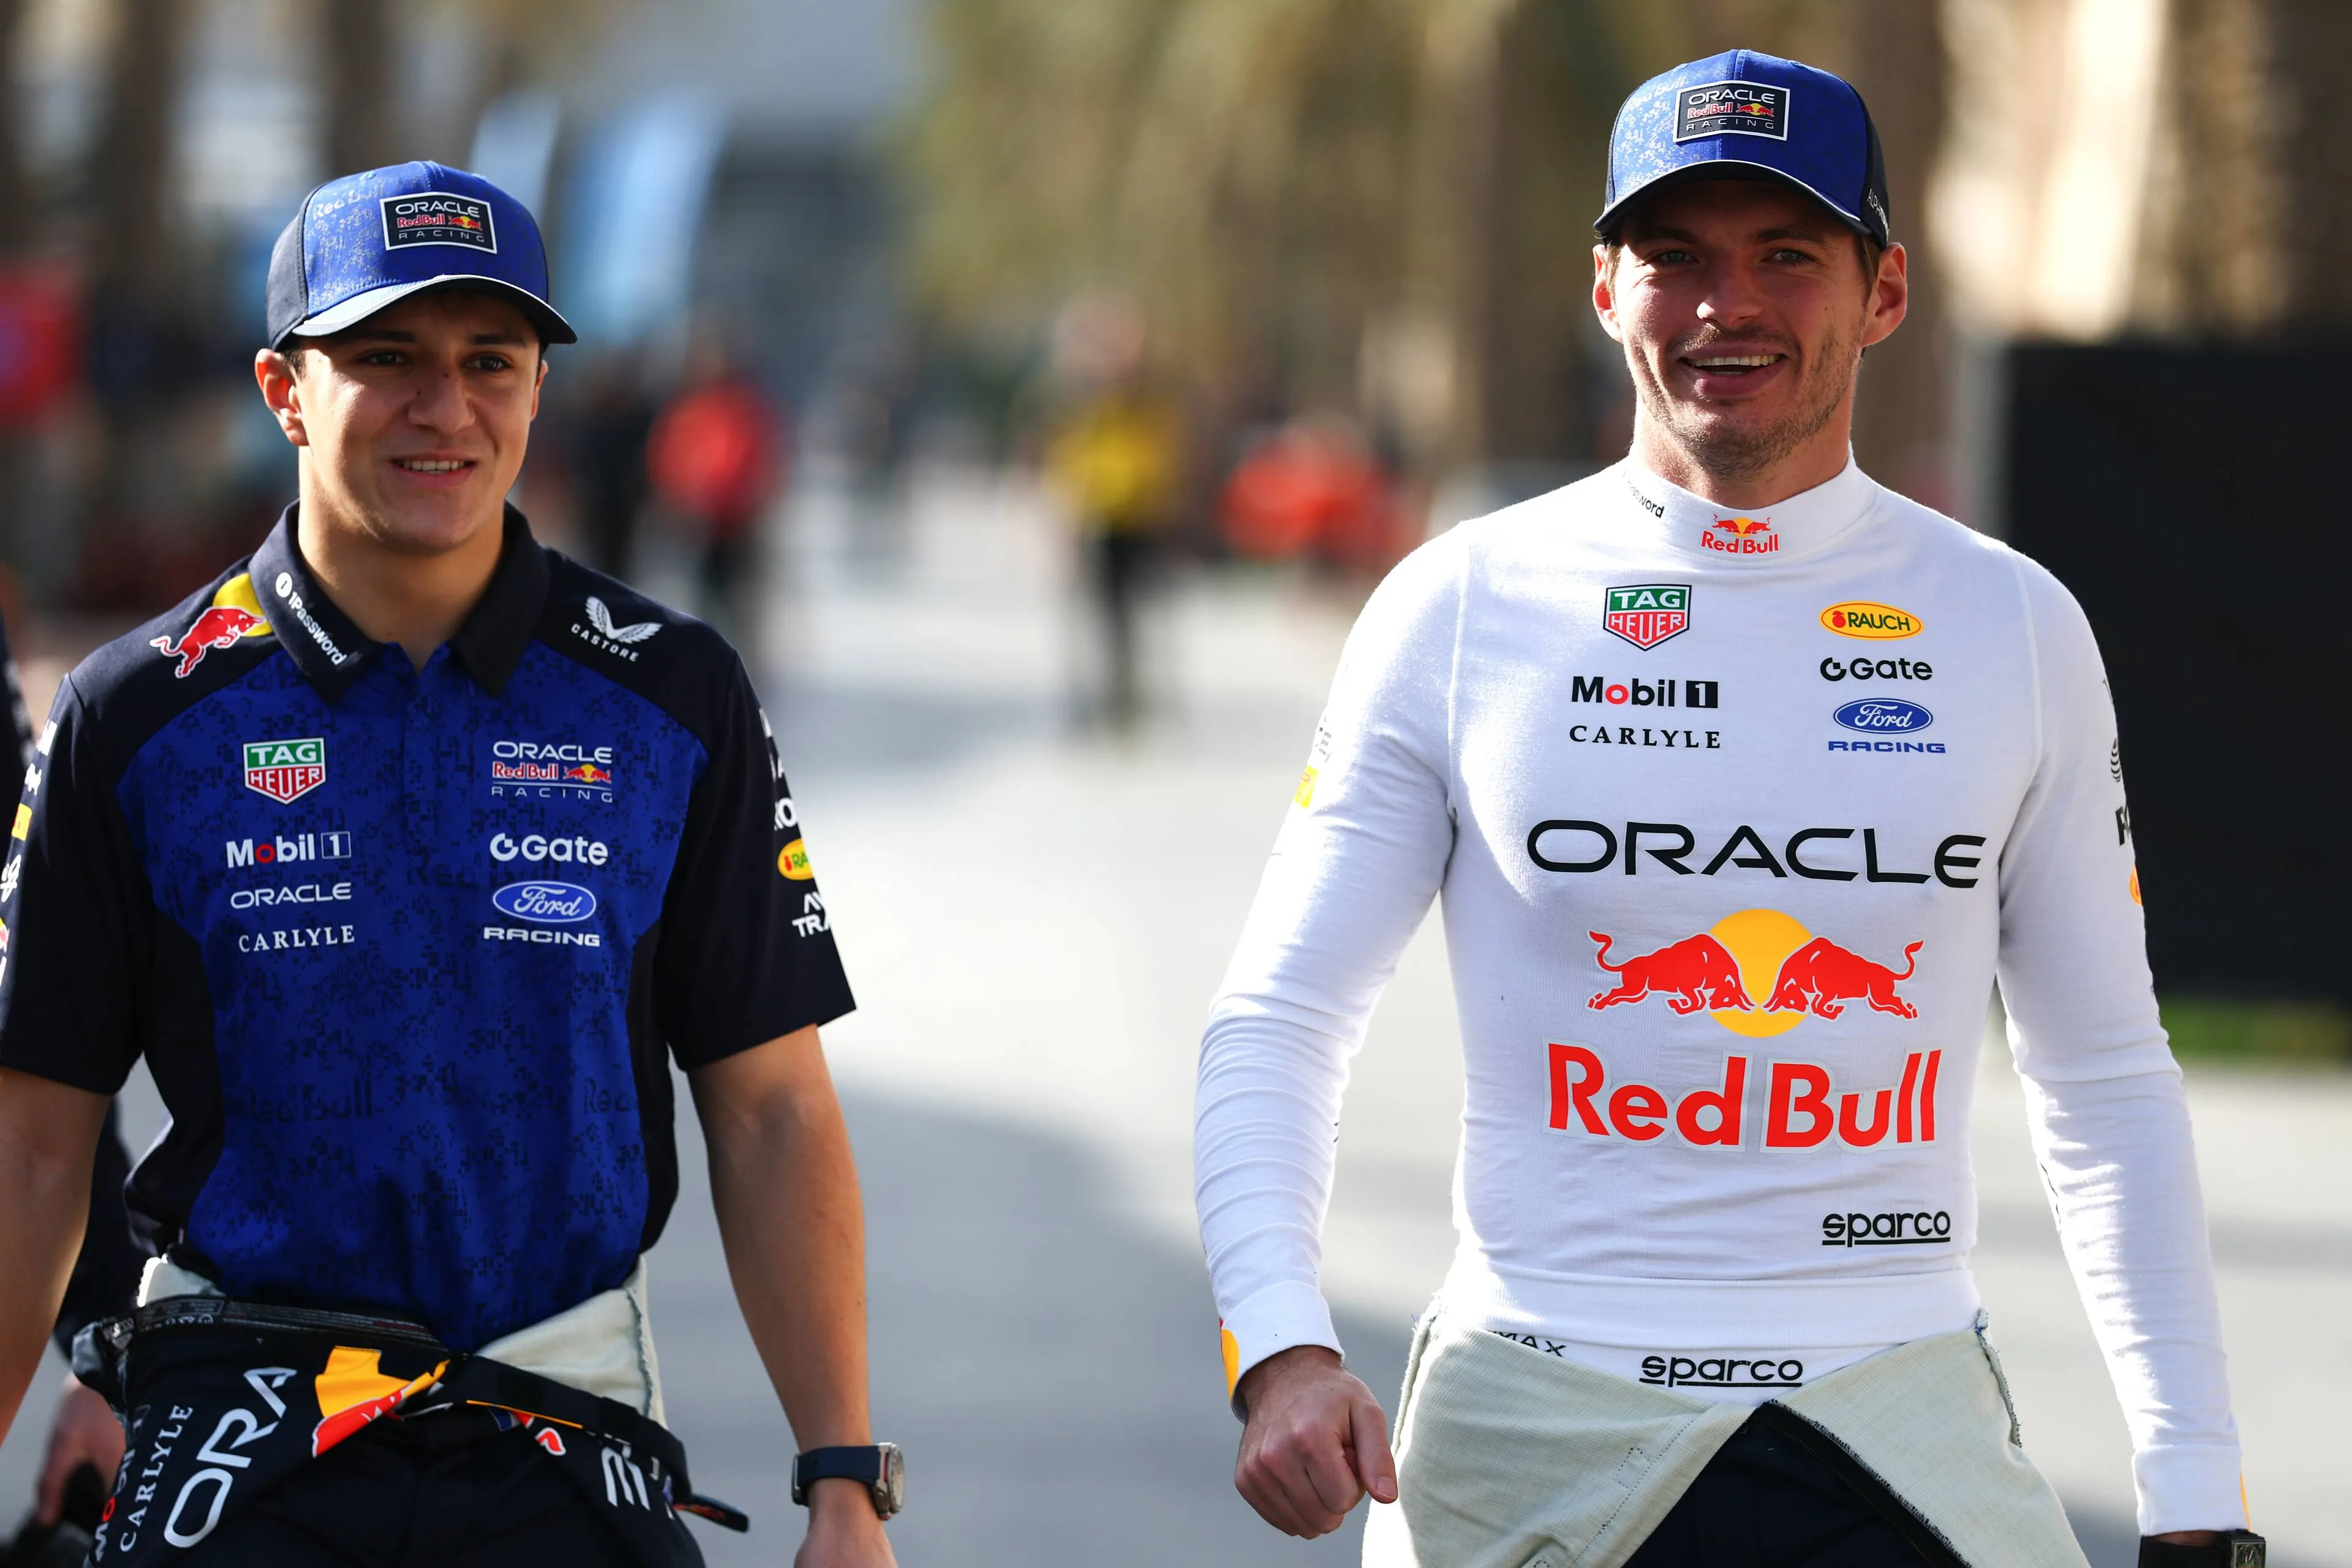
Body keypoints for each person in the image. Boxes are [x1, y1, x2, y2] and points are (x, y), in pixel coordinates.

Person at [1194, 50, 2263, 1568]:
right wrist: (1281, 1342)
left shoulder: (2012, 625)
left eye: (1787, 255)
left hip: (1899, 1415)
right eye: (1676, 256)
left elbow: (2102, 1076)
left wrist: (2198, 1490)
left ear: (1883, 290)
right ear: (1605, 287)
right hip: (1532, 1408)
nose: (1727, 304)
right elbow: (1280, 1013)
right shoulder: (1460, 602)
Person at [0, 162, 900, 1567]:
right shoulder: (138, 712)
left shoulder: (671, 695)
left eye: (493, 360)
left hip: (563, 1431)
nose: (447, 406)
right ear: (283, 389)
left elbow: (773, 1110)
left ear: (541, 388)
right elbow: (35, 1139)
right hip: (239, 1435)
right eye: (386, 358)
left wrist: (844, 1478)